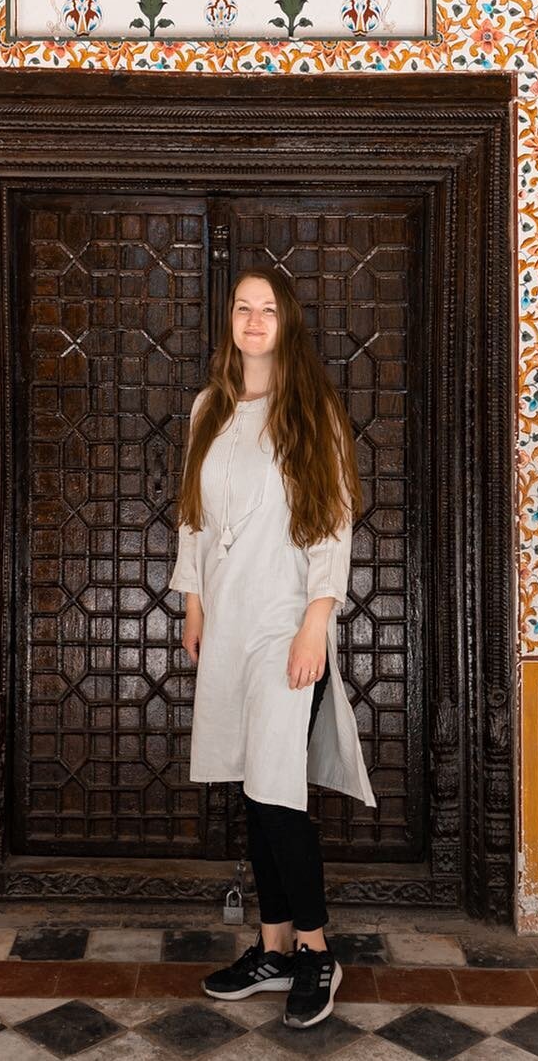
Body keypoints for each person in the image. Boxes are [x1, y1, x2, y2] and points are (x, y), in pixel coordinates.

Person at [169, 270, 376, 1029]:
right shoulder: (208, 410)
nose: (253, 320)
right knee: (252, 789)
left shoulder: (309, 410)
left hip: (286, 620)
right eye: (241, 308)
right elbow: (191, 515)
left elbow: (333, 520)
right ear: (230, 321)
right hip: (226, 622)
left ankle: (318, 951)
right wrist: (192, 600)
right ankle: (273, 948)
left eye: (266, 309)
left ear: (285, 323)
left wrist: (317, 619)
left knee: (278, 791)